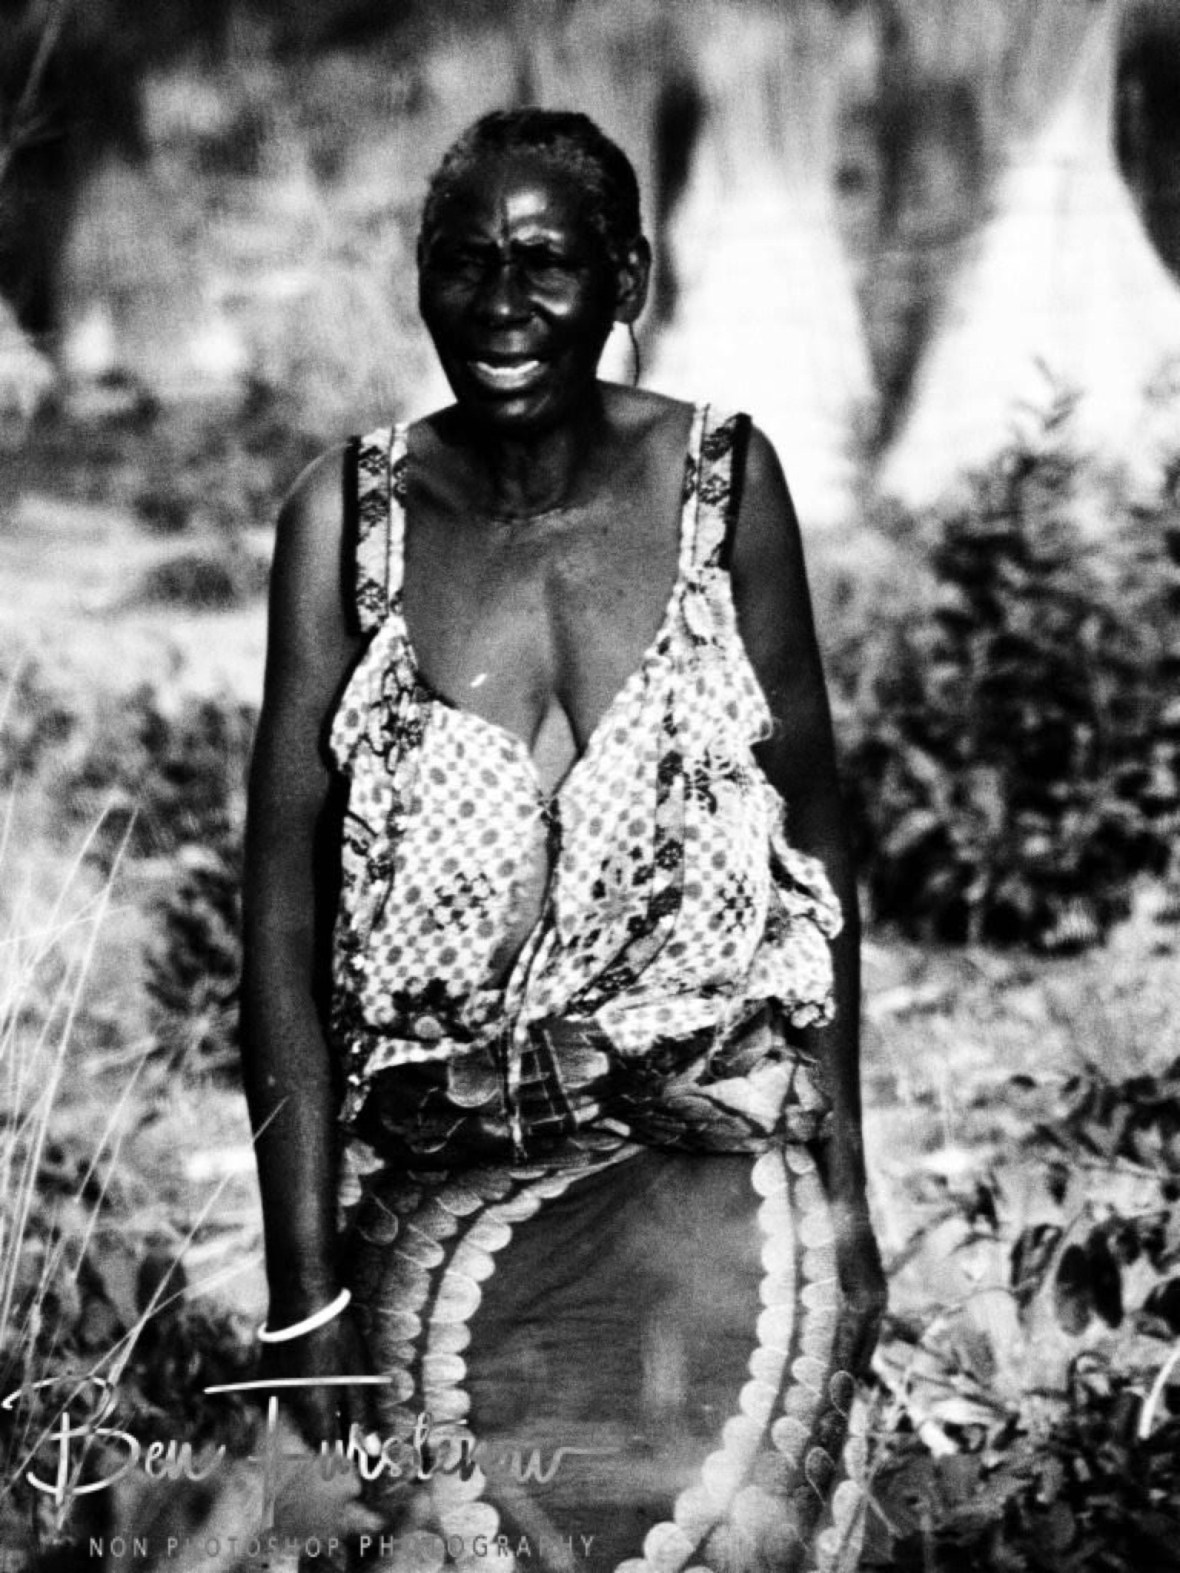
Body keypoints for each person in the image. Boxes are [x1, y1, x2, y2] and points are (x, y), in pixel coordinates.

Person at [240, 107, 885, 1572]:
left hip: (713, 1178)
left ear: (627, 277)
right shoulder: (348, 524)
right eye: (462, 265)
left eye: (546, 264)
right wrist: (304, 1297)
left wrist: (848, 1193)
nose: (502, 308)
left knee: (725, 1531)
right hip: (440, 1202)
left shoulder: (724, 491)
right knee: (446, 1541)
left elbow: (815, 844)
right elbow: (279, 921)